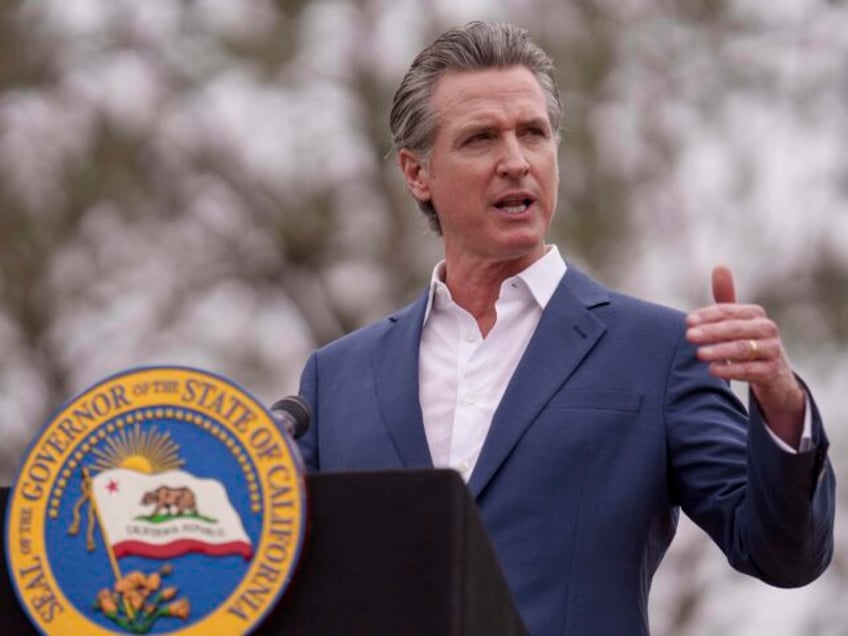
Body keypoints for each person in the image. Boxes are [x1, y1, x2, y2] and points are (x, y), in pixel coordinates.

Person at [296, 21, 834, 636]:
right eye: (480, 139)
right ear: (418, 173)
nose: (516, 161)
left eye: (533, 133)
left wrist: (781, 403)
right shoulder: (335, 379)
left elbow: (784, 554)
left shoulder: (658, 354)